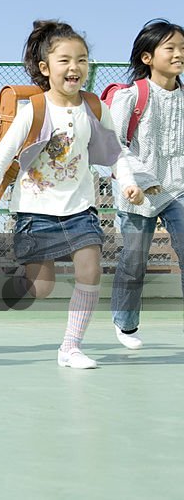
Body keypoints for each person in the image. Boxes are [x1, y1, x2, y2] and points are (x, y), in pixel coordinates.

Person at [0, 20, 139, 369]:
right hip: (35, 211)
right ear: (46, 69)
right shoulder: (34, 110)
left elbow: (114, 152)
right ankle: (16, 287)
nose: (74, 67)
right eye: (65, 60)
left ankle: (71, 347)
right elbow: (1, 159)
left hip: (80, 209)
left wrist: (127, 182)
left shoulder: (93, 107)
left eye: (82, 59)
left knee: (90, 271)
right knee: (41, 287)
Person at [108, 19, 184, 349]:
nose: (179, 54)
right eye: (170, 48)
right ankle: (125, 325)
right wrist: (133, 180)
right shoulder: (131, 97)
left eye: (182, 48)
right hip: (136, 191)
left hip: (178, 188)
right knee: (134, 260)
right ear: (147, 57)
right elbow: (114, 144)